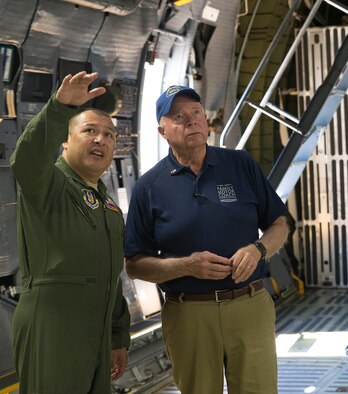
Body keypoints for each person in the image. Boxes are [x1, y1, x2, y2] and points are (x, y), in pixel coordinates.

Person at [124, 85, 290, 394]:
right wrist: (186, 266)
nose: (191, 120)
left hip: (249, 306)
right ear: (162, 130)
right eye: (178, 116)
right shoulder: (149, 187)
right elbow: (135, 265)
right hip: (189, 314)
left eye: (196, 112)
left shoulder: (241, 165)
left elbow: (280, 224)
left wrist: (258, 250)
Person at [10, 71, 131, 393]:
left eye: (109, 135)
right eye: (89, 131)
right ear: (65, 140)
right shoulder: (49, 183)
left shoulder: (107, 204)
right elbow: (26, 159)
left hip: (96, 328)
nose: (100, 140)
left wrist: (117, 336)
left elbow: (110, 275)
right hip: (53, 324)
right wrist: (59, 107)